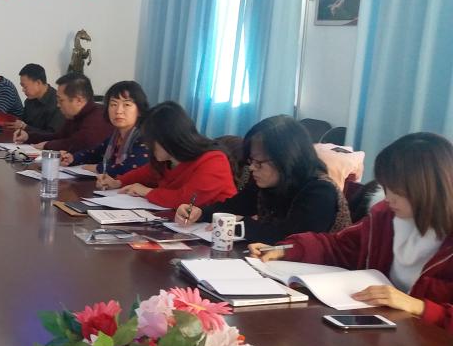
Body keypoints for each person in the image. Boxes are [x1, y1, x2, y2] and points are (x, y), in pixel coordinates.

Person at [251, 132, 453, 330]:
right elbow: (338, 246)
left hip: (430, 342)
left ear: (428, 189)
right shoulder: (385, 217)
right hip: (382, 327)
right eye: (386, 187)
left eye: (397, 191)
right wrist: (288, 249)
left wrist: (419, 306)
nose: (388, 197)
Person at [173, 115, 351, 243]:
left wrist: (241, 224)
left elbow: (291, 239)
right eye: (251, 161)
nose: (252, 168)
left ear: (286, 160)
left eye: (259, 162)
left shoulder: (320, 191)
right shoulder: (268, 180)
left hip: (316, 276)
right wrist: (200, 213)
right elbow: (233, 206)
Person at [103, 101, 236, 209]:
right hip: (179, 224)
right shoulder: (166, 160)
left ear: (168, 138)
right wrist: (118, 182)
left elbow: (187, 200)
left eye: (151, 140)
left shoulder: (214, 160)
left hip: (214, 228)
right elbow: (144, 173)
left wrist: (146, 191)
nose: (148, 146)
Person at [61, 80, 150, 177]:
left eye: (127, 105)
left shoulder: (146, 138)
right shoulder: (115, 137)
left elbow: (131, 168)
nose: (118, 111)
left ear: (139, 110)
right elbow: (93, 154)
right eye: (113, 104)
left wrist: (97, 168)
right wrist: (73, 158)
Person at [12, 73, 112, 152]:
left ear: (79, 100)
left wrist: (48, 145)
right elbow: (58, 136)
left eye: (61, 100)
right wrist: (29, 136)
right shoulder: (74, 116)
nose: (58, 105)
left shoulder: (98, 117)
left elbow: (79, 144)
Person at [12, 64, 63, 135]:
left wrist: (25, 127)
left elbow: (53, 135)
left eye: (25, 86)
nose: (23, 90)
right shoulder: (29, 101)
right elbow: (23, 123)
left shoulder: (58, 103)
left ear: (38, 83)